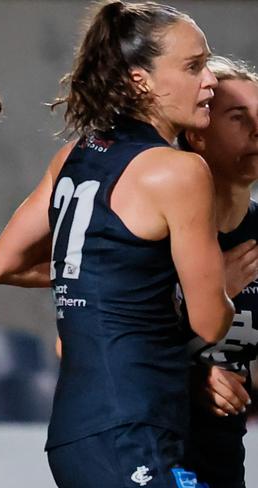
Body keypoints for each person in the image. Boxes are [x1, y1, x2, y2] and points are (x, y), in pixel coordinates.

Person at [0, 2, 234, 487]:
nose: (210, 81)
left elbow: (3, 264)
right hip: (133, 425)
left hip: (78, 431)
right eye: (193, 66)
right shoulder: (178, 171)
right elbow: (210, 320)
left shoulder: (73, 156)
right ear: (140, 79)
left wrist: (111, 281)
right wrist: (224, 282)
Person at [180, 56, 258, 488]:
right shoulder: (157, 227)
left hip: (225, 459)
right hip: (150, 454)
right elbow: (85, 345)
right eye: (237, 116)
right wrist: (190, 377)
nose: (257, 130)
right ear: (197, 133)